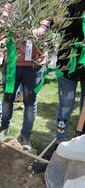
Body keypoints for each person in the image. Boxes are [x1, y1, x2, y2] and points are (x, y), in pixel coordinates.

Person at [0, 3, 49, 150]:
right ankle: (3, 129)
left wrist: (25, 32)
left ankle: (25, 136)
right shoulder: (11, 5)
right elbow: (3, 18)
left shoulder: (43, 6)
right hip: (12, 63)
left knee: (30, 102)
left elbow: (43, 29)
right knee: (7, 99)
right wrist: (3, 20)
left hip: (34, 65)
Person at [55, 1, 85, 143]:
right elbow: (56, 25)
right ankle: (59, 143)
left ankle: (80, 143)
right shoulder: (65, 4)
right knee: (65, 106)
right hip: (67, 63)